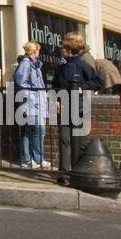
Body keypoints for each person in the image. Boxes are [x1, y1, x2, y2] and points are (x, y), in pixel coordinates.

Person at [51, 32, 103, 185]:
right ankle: (64, 173)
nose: (61, 50)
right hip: (65, 107)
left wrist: (83, 88)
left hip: (80, 108)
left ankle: (77, 172)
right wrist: (56, 101)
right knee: (64, 140)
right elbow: (55, 86)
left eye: (63, 48)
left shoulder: (83, 66)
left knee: (78, 142)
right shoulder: (61, 68)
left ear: (69, 50)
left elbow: (99, 82)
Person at [13, 41, 49, 169]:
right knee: (39, 129)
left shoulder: (34, 65)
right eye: (38, 50)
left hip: (36, 102)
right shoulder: (26, 64)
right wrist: (32, 97)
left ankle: (27, 160)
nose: (39, 52)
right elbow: (21, 82)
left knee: (29, 131)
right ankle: (37, 159)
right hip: (31, 103)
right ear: (34, 51)